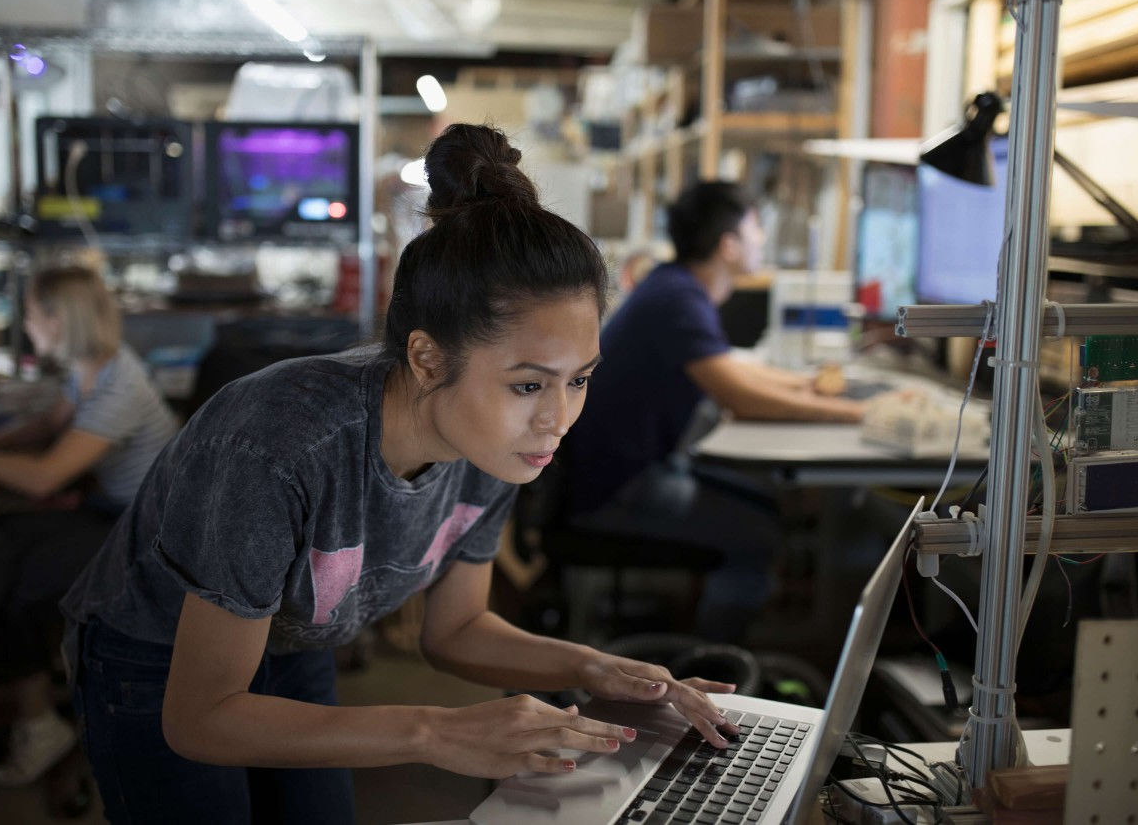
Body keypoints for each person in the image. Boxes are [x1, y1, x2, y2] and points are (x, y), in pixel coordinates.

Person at [58, 124, 740, 825]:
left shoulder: (495, 442)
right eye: (531, 385)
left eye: (580, 380)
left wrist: (591, 667)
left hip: (291, 641)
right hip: (156, 657)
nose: (559, 418)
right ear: (426, 358)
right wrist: (437, 731)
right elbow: (200, 717)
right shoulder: (282, 442)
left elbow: (457, 627)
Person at [0, 265, 178, 787]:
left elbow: (45, 478)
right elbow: (50, 425)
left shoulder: (119, 385)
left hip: (146, 534)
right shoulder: (90, 365)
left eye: (30, 315)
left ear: (57, 319)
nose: (26, 327)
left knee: (20, 584)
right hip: (112, 511)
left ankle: (34, 721)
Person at [562, 181, 868, 640]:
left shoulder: (674, 287)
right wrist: (858, 415)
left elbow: (731, 369)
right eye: (755, 228)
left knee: (766, 503)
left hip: (619, 472)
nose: (761, 239)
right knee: (759, 533)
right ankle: (719, 668)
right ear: (728, 245)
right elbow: (739, 397)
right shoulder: (678, 299)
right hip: (616, 489)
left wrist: (810, 386)